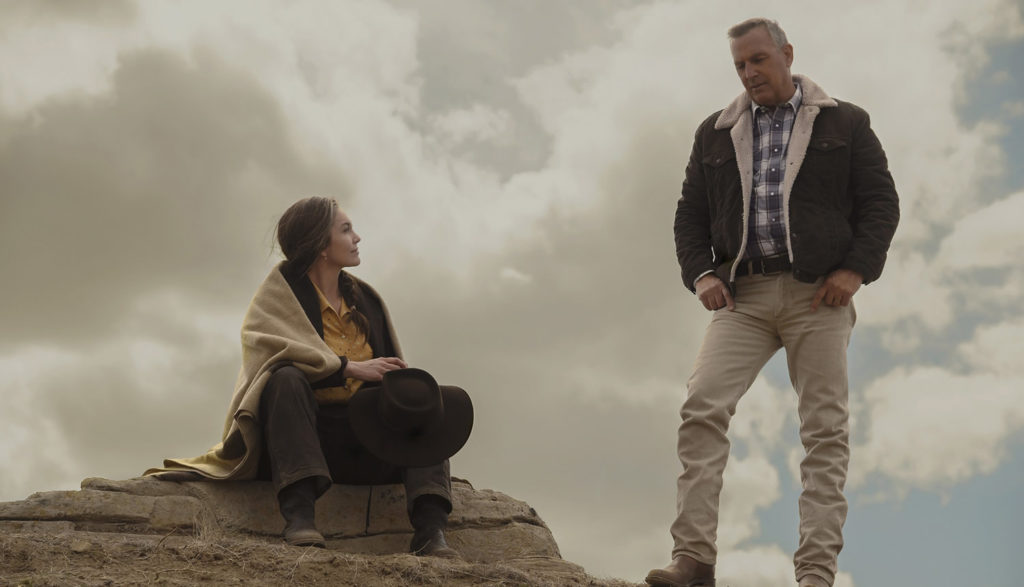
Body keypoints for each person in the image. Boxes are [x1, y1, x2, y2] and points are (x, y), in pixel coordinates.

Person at [645, 18, 899, 587]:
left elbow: (881, 200)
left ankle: (814, 574)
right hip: (744, 296)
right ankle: (693, 560)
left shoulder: (845, 121)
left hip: (819, 296)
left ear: (786, 54)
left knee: (824, 431)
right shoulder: (715, 131)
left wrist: (855, 269)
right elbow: (689, 213)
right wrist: (701, 274)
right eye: (739, 65)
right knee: (702, 406)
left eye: (758, 60)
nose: (749, 73)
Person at [146, 196, 473, 559]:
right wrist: (347, 367)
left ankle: (430, 531)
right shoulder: (278, 295)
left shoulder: (366, 299)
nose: (357, 238)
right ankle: (300, 517)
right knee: (284, 378)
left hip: (368, 440)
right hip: (298, 445)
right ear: (320, 244)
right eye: (346, 230)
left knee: (423, 401)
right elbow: (272, 353)